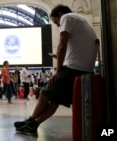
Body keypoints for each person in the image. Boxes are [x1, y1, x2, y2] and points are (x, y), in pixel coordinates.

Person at [14, 4, 98, 136]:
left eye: (56, 22)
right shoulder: (80, 20)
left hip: (73, 69)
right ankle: (32, 125)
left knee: (44, 92)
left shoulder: (67, 17)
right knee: (55, 100)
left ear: (60, 14)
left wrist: (58, 71)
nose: (58, 26)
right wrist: (59, 58)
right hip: (84, 69)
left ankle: (29, 122)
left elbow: (61, 46)